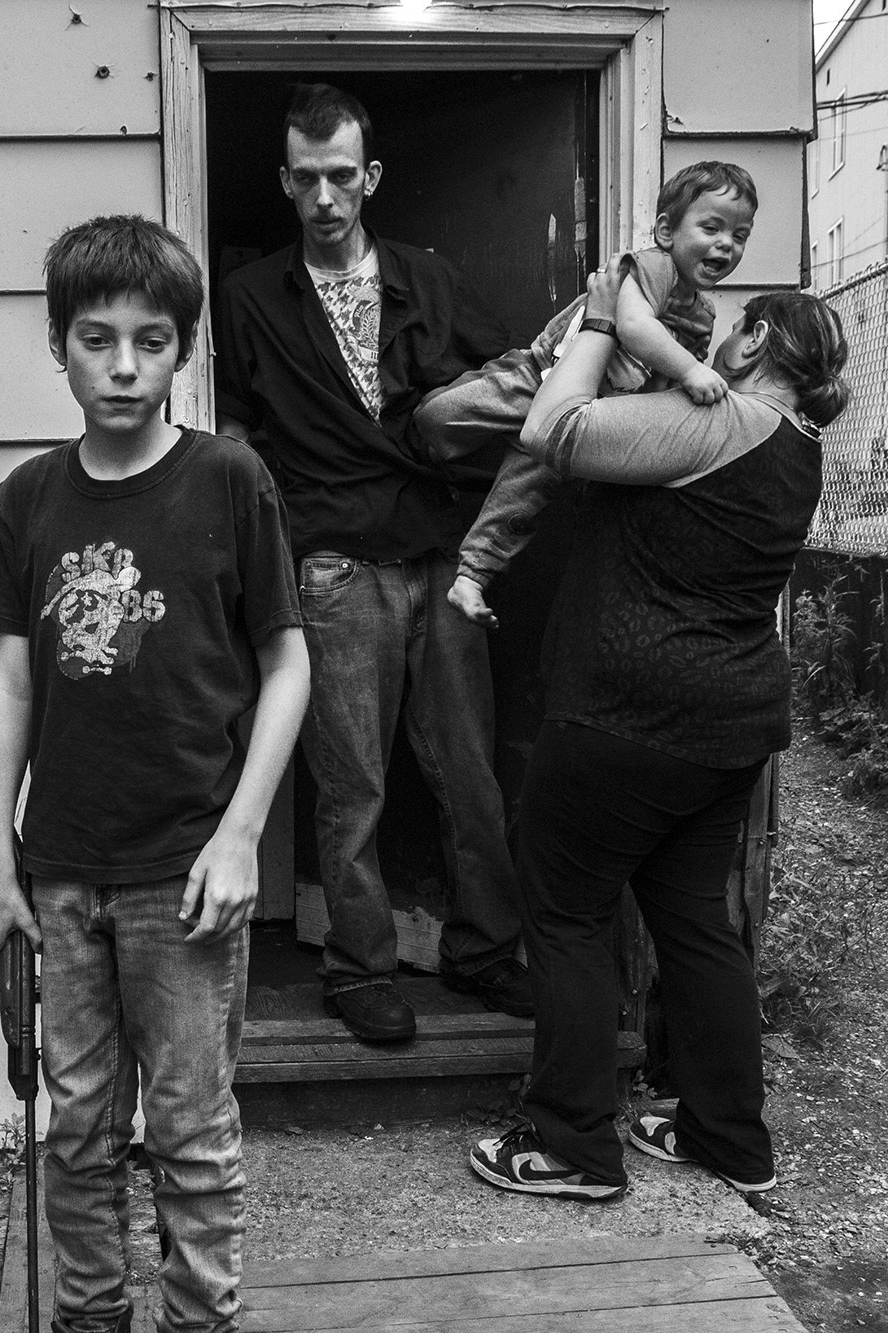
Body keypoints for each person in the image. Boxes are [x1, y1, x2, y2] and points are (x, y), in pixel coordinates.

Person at [0, 215, 311, 1333]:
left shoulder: (227, 481)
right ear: (58, 347)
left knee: (189, 1129)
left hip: (183, 872)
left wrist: (240, 835)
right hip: (61, 870)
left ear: (180, 352)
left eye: (149, 342)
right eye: (96, 340)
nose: (121, 364)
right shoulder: (26, 501)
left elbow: (286, 661)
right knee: (77, 1127)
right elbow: (6, 679)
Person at [466, 268, 849, 1204]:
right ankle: (728, 1139)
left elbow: (550, 430)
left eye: (736, 331)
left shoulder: (721, 421)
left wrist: (602, 317)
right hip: (729, 726)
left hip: (626, 718)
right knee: (695, 927)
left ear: (755, 342)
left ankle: (573, 1147)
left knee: (566, 914)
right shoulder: (799, 444)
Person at [216, 82, 532, 1044]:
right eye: (306, 179)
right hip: (333, 566)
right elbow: (238, 429)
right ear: (283, 179)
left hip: (439, 556)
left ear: (372, 177)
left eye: (341, 177)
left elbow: (517, 384)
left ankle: (483, 952)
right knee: (352, 785)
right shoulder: (251, 295)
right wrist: (272, 544)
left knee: (469, 771)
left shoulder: (428, 280)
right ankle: (359, 972)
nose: (323, 198)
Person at [413, 162, 759, 633]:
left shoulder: (701, 315)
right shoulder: (654, 267)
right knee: (440, 416)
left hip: (581, 417)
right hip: (539, 375)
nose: (726, 244)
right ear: (665, 231)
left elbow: (664, 393)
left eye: (740, 235)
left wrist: (675, 389)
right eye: (711, 227)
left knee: (521, 498)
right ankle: (420, 453)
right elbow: (634, 328)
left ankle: (472, 575)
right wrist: (692, 369)